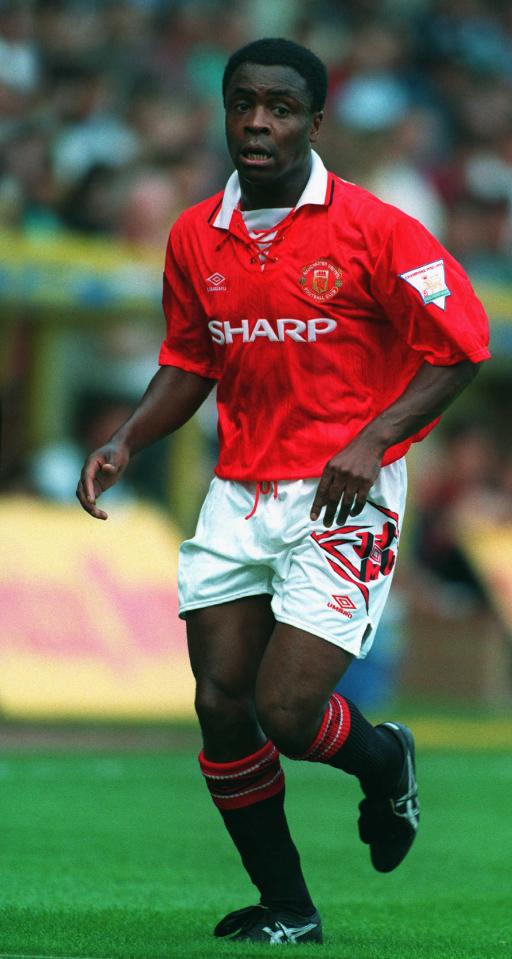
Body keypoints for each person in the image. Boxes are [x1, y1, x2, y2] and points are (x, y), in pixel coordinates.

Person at [76, 38, 490, 946]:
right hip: (239, 491)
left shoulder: (377, 229)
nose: (258, 123)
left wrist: (372, 439)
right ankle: (289, 908)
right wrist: (126, 439)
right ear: (224, 110)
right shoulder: (195, 235)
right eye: (243, 103)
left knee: (289, 712)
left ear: (314, 121)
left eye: (280, 107)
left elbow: (461, 343)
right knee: (222, 707)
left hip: (348, 493)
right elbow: (191, 359)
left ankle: (385, 761)